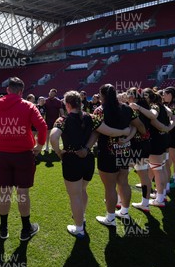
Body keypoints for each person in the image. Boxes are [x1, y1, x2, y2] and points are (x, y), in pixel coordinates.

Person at [50, 90, 131, 238]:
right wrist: (125, 130)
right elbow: (108, 132)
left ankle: (79, 227)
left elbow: (53, 137)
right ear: (80, 103)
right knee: (82, 190)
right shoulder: (91, 117)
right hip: (88, 159)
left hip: (72, 159)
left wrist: (59, 152)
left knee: (75, 195)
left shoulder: (62, 120)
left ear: (67, 105)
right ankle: (82, 217)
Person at [0, 77, 47, 241]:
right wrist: (40, 145)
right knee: (22, 192)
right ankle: (25, 229)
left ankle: (3, 228)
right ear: (21, 91)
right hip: (24, 154)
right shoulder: (28, 105)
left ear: (8, 90)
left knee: (4, 192)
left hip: (4, 154)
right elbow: (42, 126)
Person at [94, 84, 145, 225]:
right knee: (123, 182)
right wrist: (135, 136)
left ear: (102, 95)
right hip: (124, 151)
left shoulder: (99, 110)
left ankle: (110, 218)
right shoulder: (127, 108)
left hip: (107, 152)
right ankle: (124, 212)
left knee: (109, 187)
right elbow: (139, 125)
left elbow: (96, 131)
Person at [129, 88, 171, 208]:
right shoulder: (158, 106)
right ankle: (160, 194)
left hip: (154, 141)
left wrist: (165, 128)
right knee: (160, 168)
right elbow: (168, 112)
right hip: (161, 140)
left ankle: (159, 198)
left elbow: (153, 118)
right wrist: (166, 128)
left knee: (157, 170)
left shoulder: (150, 108)